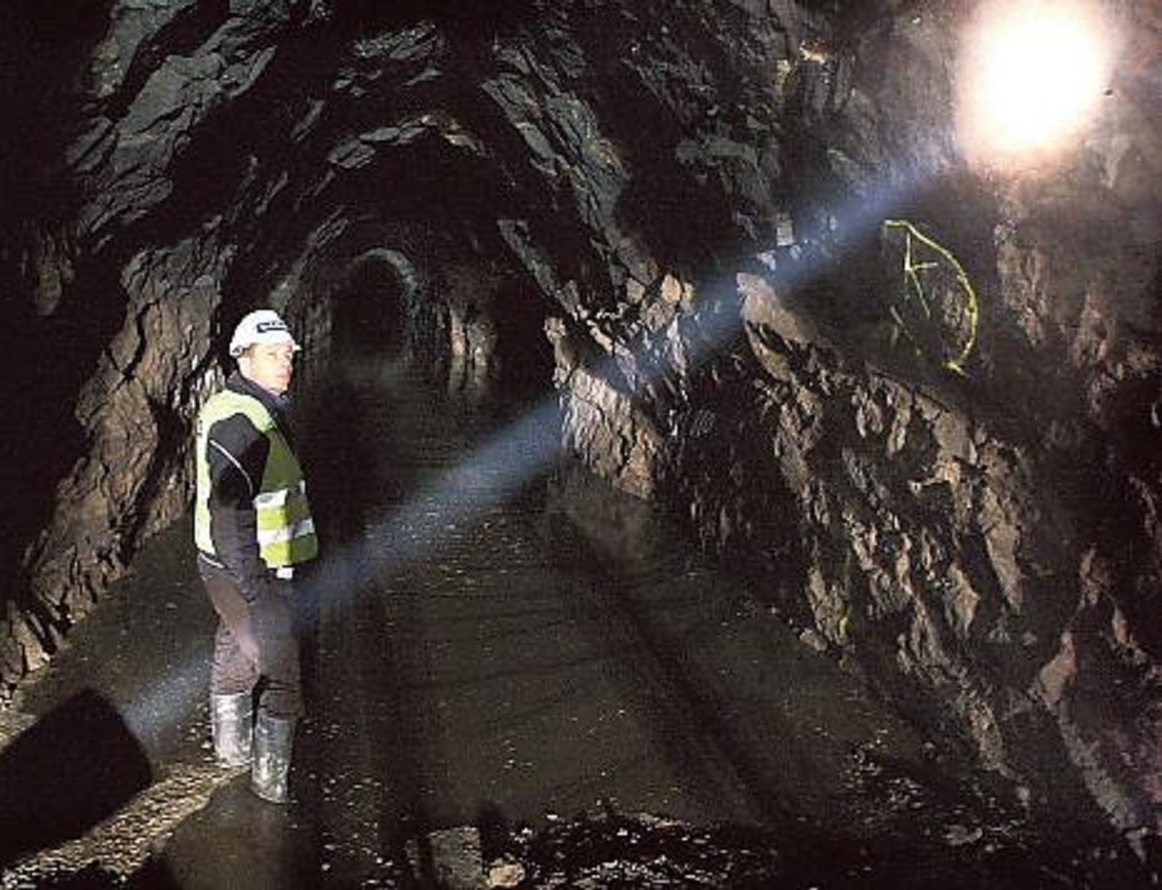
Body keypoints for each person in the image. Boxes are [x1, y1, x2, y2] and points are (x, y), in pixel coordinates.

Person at [193, 308, 318, 804]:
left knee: (238, 642)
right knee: (284, 673)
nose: (285, 362)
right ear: (243, 358)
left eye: (288, 353)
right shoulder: (241, 422)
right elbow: (229, 512)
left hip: (239, 563)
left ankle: (230, 751)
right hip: (251, 567)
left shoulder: (252, 407)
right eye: (273, 354)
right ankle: (269, 789)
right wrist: (256, 593)